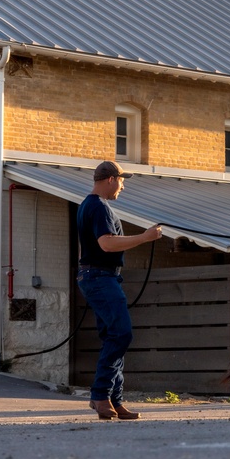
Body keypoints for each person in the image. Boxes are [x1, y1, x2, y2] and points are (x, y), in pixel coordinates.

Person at [77, 160, 162, 420]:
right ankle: (101, 395)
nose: (122, 187)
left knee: (113, 337)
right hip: (101, 277)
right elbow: (106, 244)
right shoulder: (100, 207)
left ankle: (113, 399)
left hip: (96, 276)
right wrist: (144, 238)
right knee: (121, 334)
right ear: (111, 179)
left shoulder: (87, 206)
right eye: (122, 181)